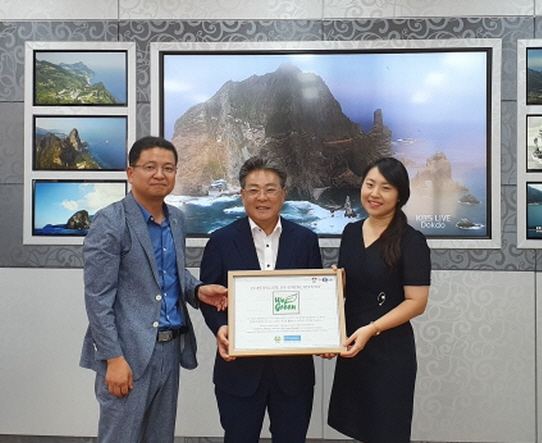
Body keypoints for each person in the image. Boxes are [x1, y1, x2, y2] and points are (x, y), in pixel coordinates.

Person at [80, 136, 228, 443]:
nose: (160, 174)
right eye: (150, 167)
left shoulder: (177, 219)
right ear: (131, 173)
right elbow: (97, 298)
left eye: (168, 168)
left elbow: (170, 273)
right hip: (127, 352)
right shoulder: (110, 221)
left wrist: (198, 290)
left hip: (169, 349)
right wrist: (113, 358)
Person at [199, 156, 322, 443]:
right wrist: (220, 327)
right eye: (253, 190)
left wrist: (324, 335)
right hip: (239, 372)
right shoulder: (220, 241)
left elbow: (314, 299)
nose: (262, 197)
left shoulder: (305, 240)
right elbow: (209, 297)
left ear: (283, 194)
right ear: (242, 195)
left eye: (270, 189)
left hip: (293, 374)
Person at [327, 157, 431, 443]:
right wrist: (337, 285)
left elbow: (416, 302)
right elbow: (353, 287)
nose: (374, 194)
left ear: (400, 195)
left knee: (387, 430)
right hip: (353, 345)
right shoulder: (350, 232)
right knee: (358, 427)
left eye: (385, 188)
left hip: (389, 352)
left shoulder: (412, 241)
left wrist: (371, 329)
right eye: (369, 184)